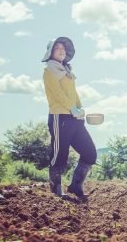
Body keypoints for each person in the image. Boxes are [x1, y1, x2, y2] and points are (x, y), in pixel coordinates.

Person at [42, 37, 97, 200]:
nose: (61, 50)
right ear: (51, 53)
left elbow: (73, 94)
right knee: (60, 154)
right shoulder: (49, 71)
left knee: (90, 153)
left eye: (63, 48)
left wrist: (80, 108)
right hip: (60, 117)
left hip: (75, 118)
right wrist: (72, 108)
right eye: (57, 48)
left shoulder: (67, 72)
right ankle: (56, 188)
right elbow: (58, 94)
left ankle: (76, 185)